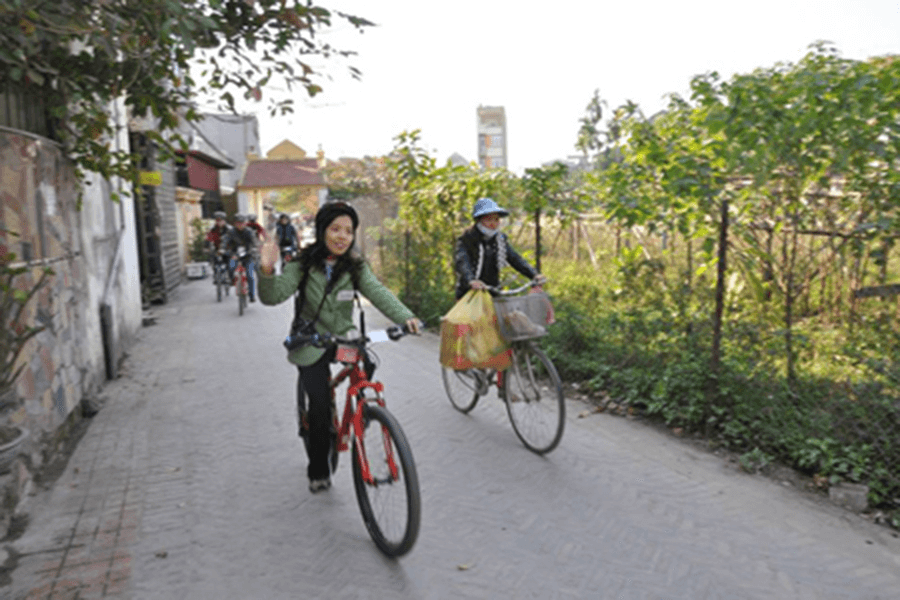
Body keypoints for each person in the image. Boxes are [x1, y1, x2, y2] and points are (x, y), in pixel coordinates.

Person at [258, 202, 421, 493]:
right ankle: (318, 470)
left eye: (348, 231)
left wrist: (405, 317)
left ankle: (362, 416)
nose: (342, 237)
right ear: (322, 231)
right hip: (311, 342)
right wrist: (267, 270)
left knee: (366, 366)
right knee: (319, 408)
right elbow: (274, 296)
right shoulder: (302, 264)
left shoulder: (356, 266)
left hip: (343, 340)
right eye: (335, 229)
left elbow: (378, 291)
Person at [454, 197, 546, 299]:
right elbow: (462, 261)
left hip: (492, 292)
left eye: (496, 219)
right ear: (479, 220)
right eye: (488, 219)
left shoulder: (499, 240)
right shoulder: (467, 239)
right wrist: (471, 280)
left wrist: (533, 274)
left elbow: (514, 258)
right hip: (469, 294)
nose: (493, 223)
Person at [222, 214, 259, 302]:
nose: (240, 225)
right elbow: (225, 241)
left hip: (248, 255)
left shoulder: (249, 232)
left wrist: (254, 249)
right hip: (234, 255)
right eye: (238, 223)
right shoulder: (231, 232)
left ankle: (252, 295)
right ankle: (231, 280)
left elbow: (255, 243)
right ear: (235, 223)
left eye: (242, 223)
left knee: (250, 275)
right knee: (230, 267)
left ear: (245, 223)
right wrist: (222, 248)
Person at [205, 211, 232, 284]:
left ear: (224, 220)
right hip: (217, 249)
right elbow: (208, 238)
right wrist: (206, 247)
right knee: (214, 262)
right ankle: (216, 276)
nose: (218, 222)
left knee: (229, 264)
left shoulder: (229, 229)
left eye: (220, 220)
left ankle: (228, 277)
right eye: (217, 220)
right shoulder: (213, 229)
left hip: (228, 249)